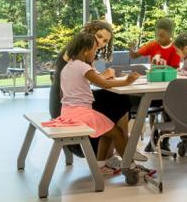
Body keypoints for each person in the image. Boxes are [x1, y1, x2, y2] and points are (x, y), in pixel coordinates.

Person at [58, 32, 141, 173]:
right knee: (117, 133)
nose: (95, 54)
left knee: (107, 129)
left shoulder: (67, 67)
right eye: (94, 50)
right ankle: (130, 167)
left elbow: (63, 94)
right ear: (85, 50)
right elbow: (103, 83)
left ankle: (100, 165)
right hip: (82, 113)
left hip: (68, 112)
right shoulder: (83, 67)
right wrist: (127, 81)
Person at [49, 20, 133, 139]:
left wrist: (103, 75)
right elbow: (81, 75)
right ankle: (123, 142)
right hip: (65, 104)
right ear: (89, 32)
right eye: (99, 36)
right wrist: (108, 76)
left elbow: (86, 79)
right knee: (120, 101)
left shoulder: (87, 55)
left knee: (119, 100)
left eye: (105, 41)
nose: (101, 42)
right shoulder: (73, 51)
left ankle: (119, 143)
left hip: (72, 102)